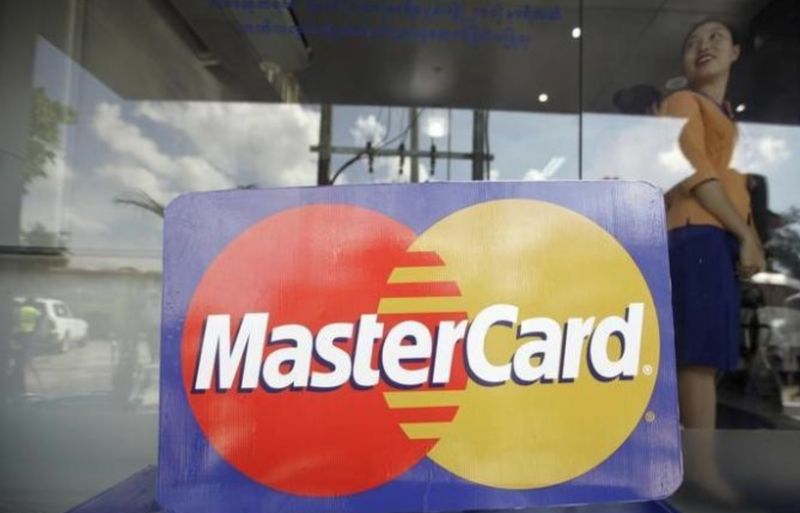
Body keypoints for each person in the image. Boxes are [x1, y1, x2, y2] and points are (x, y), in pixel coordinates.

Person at [660, 20, 766, 429]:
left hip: (715, 236)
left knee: (711, 350)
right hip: (696, 233)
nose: (703, 45)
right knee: (698, 355)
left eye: (714, 37)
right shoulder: (683, 102)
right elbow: (698, 172)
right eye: (692, 42)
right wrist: (747, 236)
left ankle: (698, 461)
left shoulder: (725, 119)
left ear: (736, 51)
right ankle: (701, 469)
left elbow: (731, 184)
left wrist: (744, 237)